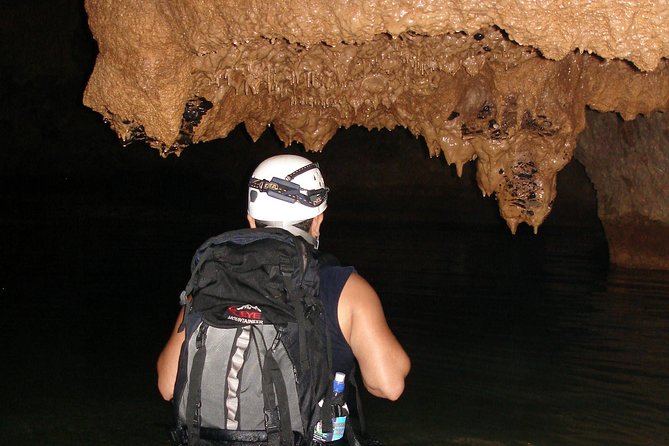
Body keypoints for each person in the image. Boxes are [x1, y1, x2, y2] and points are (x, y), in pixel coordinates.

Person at [157, 154, 410, 411]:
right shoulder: (347, 290)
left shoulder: (211, 280)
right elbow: (388, 385)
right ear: (318, 221)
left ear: (251, 221)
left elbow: (168, 386)